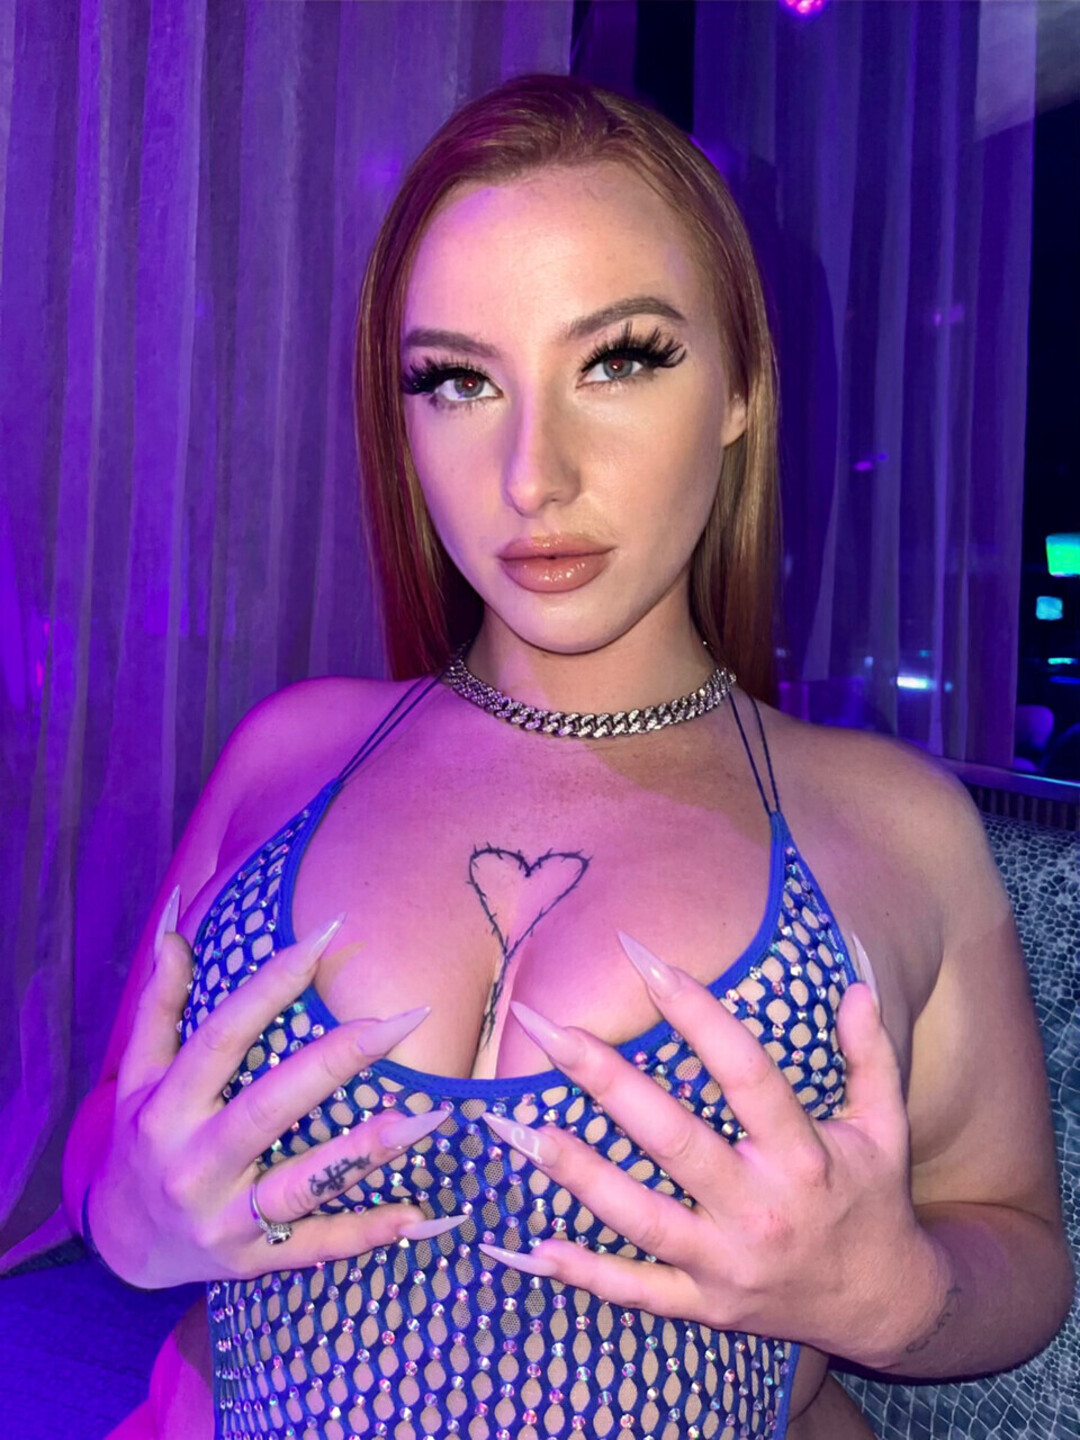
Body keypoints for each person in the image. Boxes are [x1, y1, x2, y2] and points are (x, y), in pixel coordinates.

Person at [61, 72, 1073, 1440]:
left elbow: (1013, 1239)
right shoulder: (285, 755)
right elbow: (110, 1130)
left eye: (620, 359)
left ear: (740, 386)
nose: (533, 476)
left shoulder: (894, 824)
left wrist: (894, 1298)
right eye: (458, 380)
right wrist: (122, 1211)